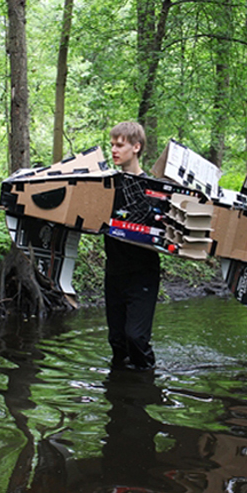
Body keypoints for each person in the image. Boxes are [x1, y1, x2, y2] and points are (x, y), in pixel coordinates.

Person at [104, 121, 161, 371]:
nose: (114, 150)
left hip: (142, 274)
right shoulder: (107, 185)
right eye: (112, 145)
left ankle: (147, 382)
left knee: (136, 338)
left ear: (136, 147)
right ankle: (120, 386)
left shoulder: (154, 190)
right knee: (117, 341)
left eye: (120, 145)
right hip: (114, 272)